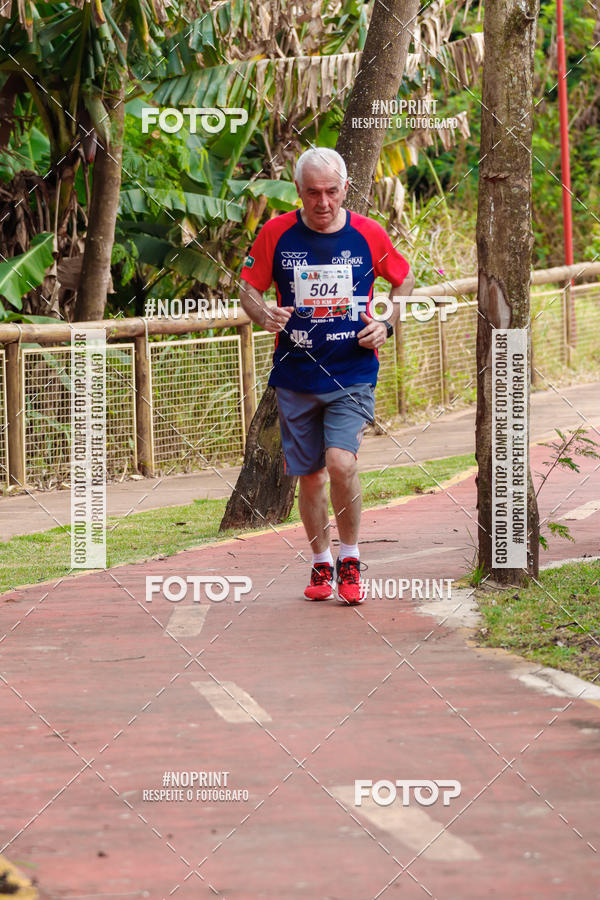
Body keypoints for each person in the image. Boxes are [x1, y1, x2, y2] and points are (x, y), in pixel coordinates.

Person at [239, 147, 415, 605]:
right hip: (295, 375)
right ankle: (321, 562)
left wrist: (387, 322)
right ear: (298, 191)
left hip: (352, 370)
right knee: (312, 477)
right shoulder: (276, 233)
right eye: (313, 193)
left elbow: (404, 279)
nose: (323, 202)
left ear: (345, 189)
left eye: (332, 192)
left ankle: (351, 558)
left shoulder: (369, 234)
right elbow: (248, 289)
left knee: (342, 463)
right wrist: (265, 314)